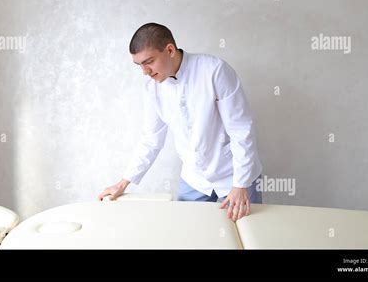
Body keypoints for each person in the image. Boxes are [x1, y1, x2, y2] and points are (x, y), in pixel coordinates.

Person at [98, 23, 263, 222]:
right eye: (139, 64)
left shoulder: (214, 70)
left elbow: (241, 130)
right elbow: (151, 139)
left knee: (243, 236)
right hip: (194, 179)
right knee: (189, 232)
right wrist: (124, 182)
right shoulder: (152, 88)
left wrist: (240, 184)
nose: (145, 71)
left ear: (169, 50)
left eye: (148, 61)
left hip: (234, 175)